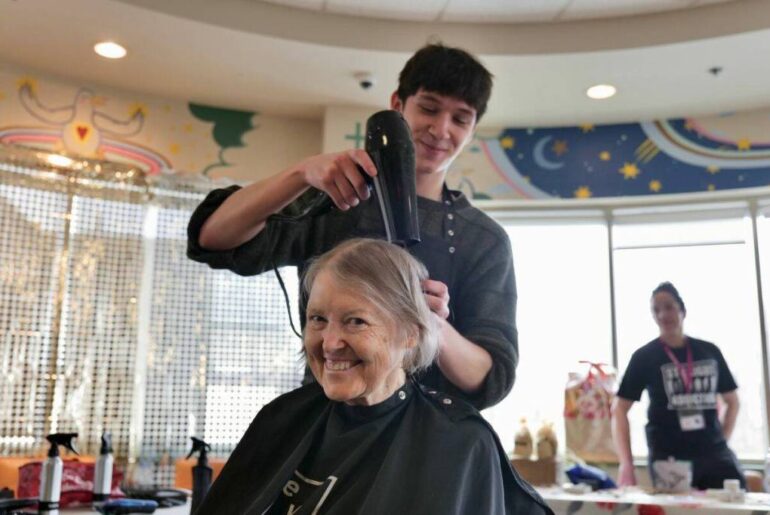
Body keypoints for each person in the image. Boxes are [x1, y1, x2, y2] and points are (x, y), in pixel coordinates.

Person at [187, 43, 517, 410]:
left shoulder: (483, 240)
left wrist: (431, 324)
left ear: (473, 129)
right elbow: (214, 238)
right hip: (326, 422)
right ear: (397, 105)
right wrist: (301, 174)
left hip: (432, 440)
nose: (441, 129)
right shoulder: (333, 200)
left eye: (460, 119)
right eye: (428, 108)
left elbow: (490, 378)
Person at [194, 239, 551, 515]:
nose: (330, 343)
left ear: (410, 333)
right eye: (318, 319)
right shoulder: (282, 418)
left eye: (356, 321)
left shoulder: (461, 443)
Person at [611, 282, 745, 490]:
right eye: (656, 309)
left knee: (733, 505)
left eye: (668, 306)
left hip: (714, 454)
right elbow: (620, 409)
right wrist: (626, 464)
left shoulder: (709, 352)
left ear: (682, 310)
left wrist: (722, 439)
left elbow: (733, 402)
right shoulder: (644, 357)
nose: (663, 314)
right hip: (669, 458)